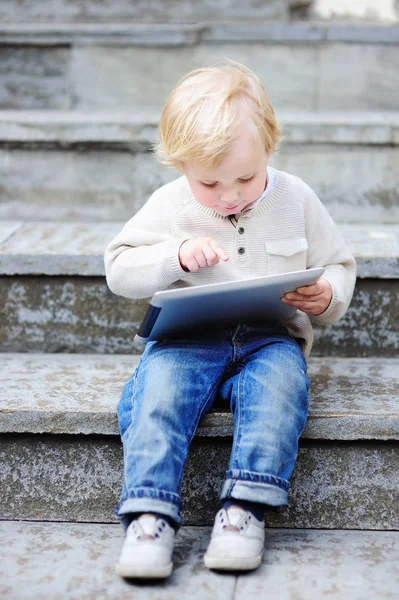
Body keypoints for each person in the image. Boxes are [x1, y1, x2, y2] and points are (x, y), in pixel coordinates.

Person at [104, 60, 356, 579]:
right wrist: (172, 255)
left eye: (245, 176)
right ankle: (149, 514)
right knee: (158, 395)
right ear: (180, 167)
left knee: (282, 388)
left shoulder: (296, 197)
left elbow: (339, 262)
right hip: (186, 338)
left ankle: (244, 509)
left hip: (270, 338)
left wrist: (326, 293)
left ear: (270, 147)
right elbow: (119, 268)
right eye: (209, 182)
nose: (230, 195)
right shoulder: (169, 205)